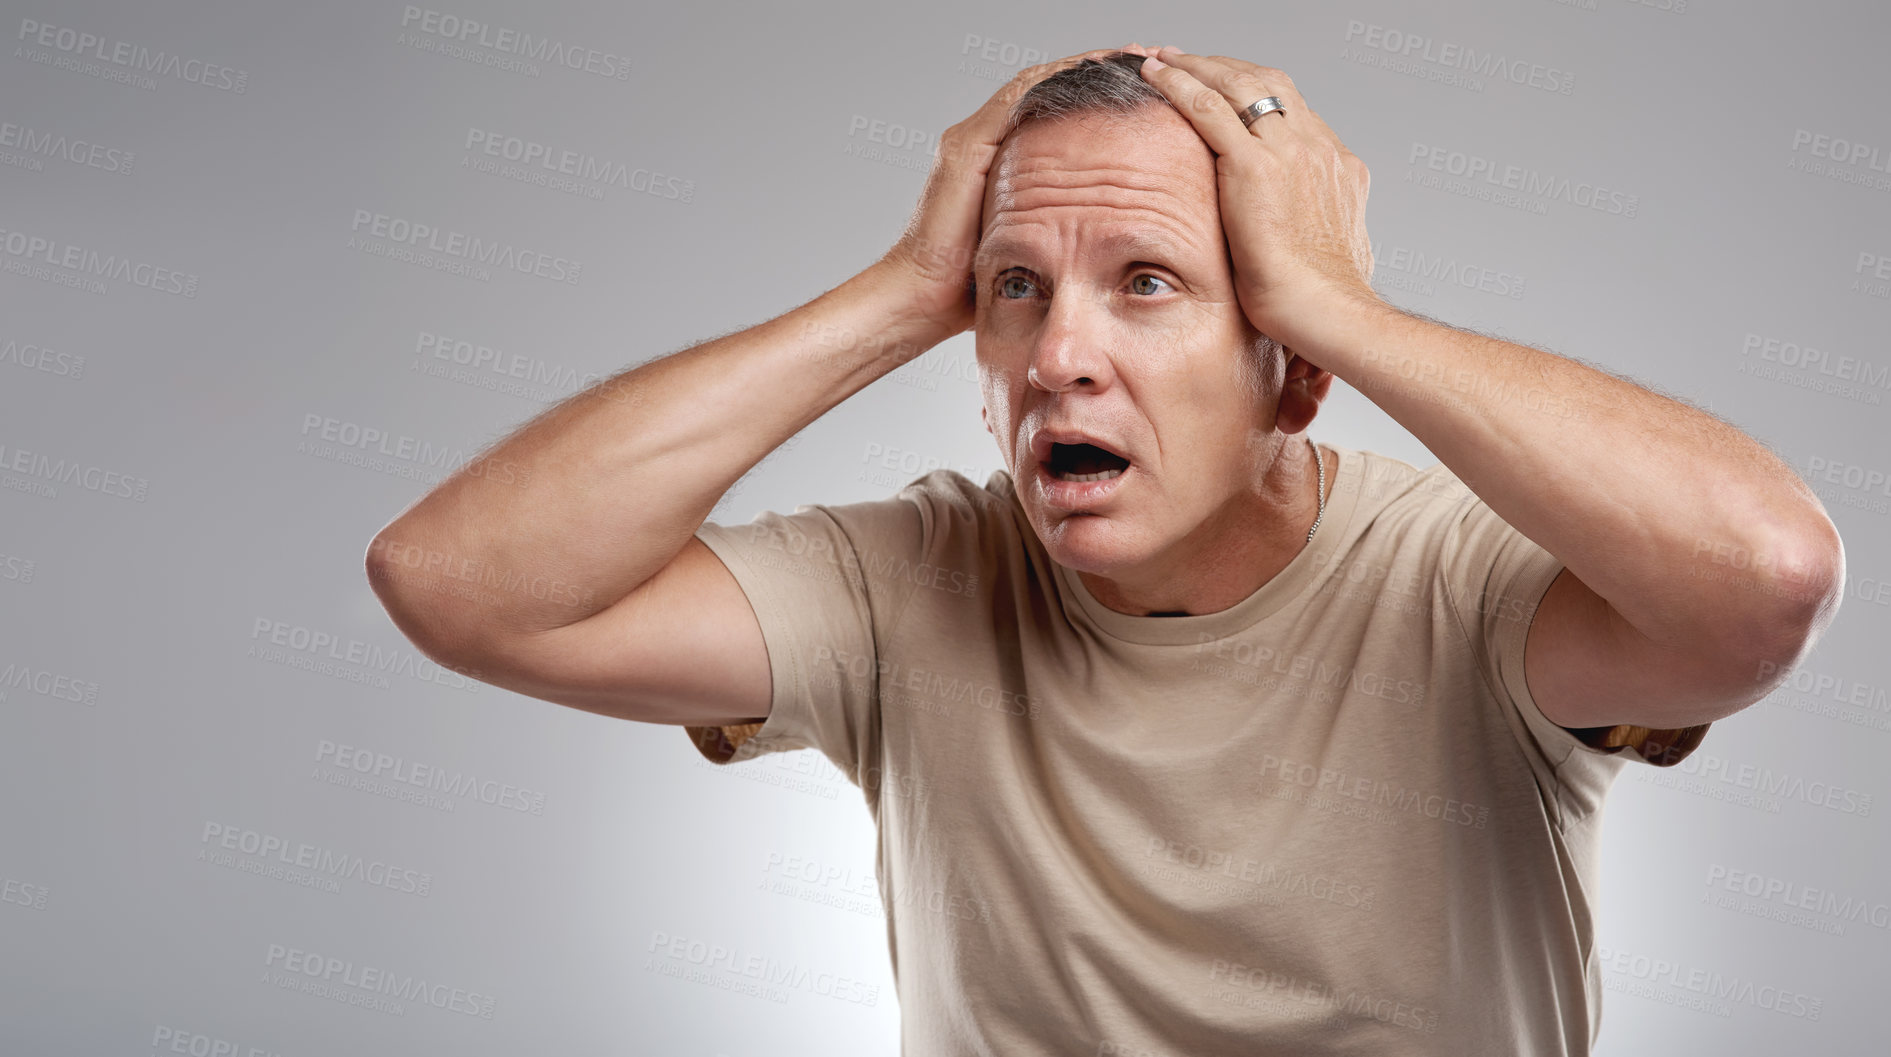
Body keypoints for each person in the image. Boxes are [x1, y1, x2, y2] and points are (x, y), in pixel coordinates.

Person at [365, 44, 1845, 1055]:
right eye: (1014, 288)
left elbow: (1765, 580)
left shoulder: (1467, 589)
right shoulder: (909, 585)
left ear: (1296, 369)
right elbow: (457, 582)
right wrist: (898, 290)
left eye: (1147, 283)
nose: (1057, 353)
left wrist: (1341, 307)